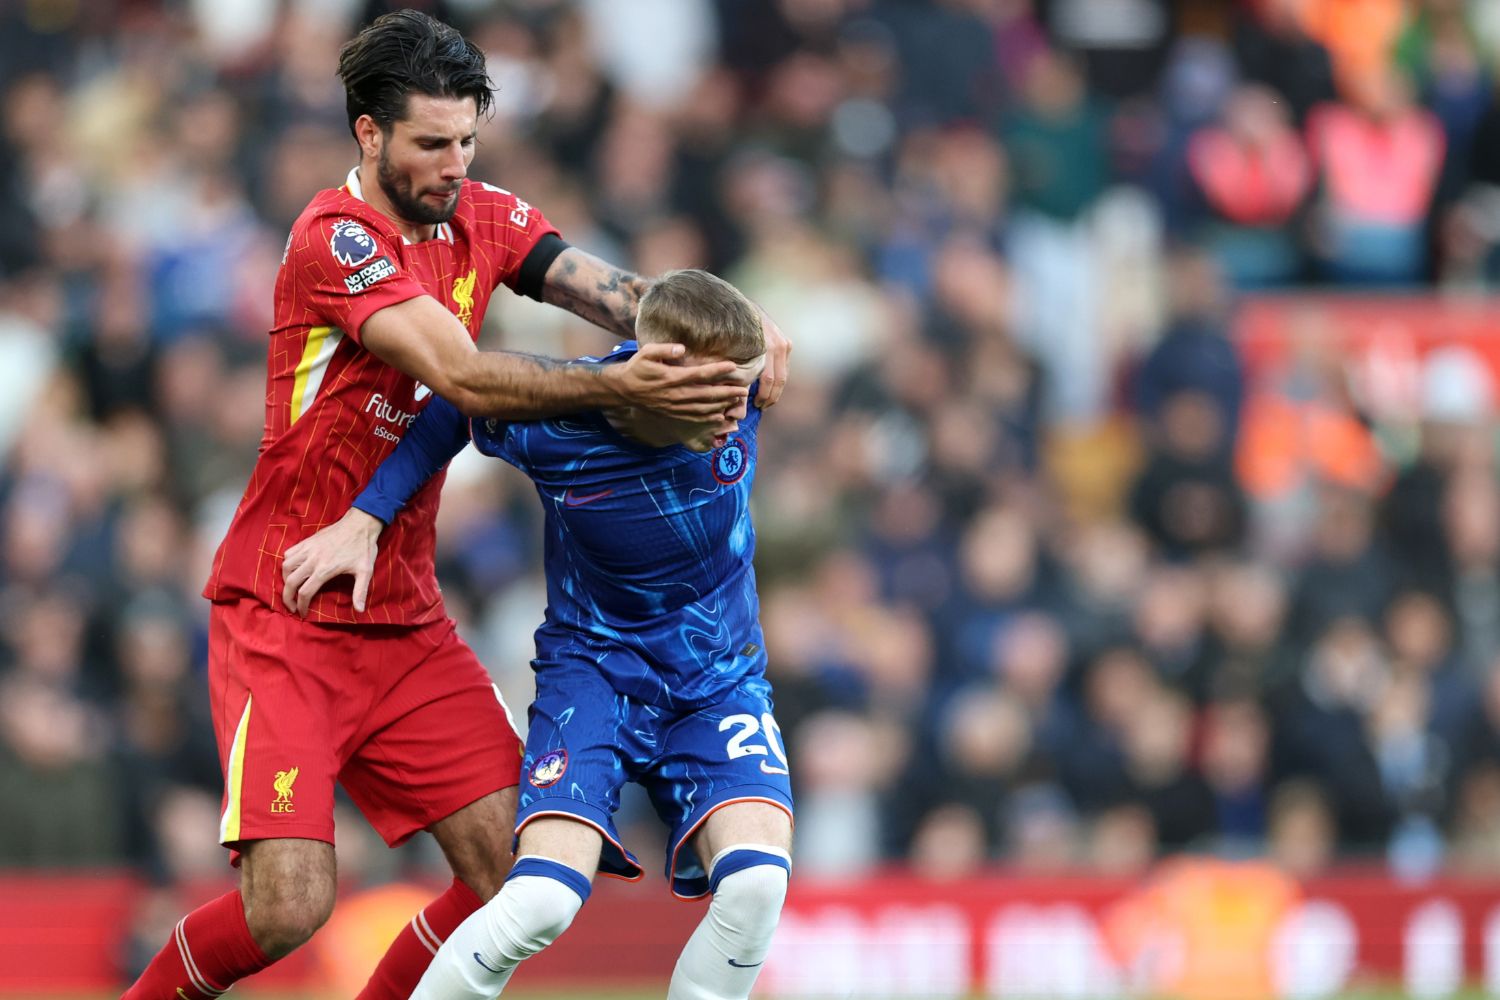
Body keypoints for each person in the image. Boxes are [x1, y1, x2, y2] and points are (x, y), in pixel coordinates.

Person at [122, 10, 790, 1000]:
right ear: (368, 132)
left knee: (501, 874)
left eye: (468, 139)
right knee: (289, 906)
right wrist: (626, 387)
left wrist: (730, 337)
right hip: (288, 609)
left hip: (404, 618)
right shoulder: (334, 240)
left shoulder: (482, 213)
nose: (454, 162)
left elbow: (623, 299)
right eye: (432, 143)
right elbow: (462, 377)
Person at [293, 269, 793, 1000]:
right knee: (540, 904)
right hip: (595, 675)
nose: (737, 413)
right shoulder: (556, 420)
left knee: (755, 887)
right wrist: (367, 516)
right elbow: (450, 412)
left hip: (717, 678)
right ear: (658, 374)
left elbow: (723, 326)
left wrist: (761, 323)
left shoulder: (740, 381)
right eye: (719, 395)